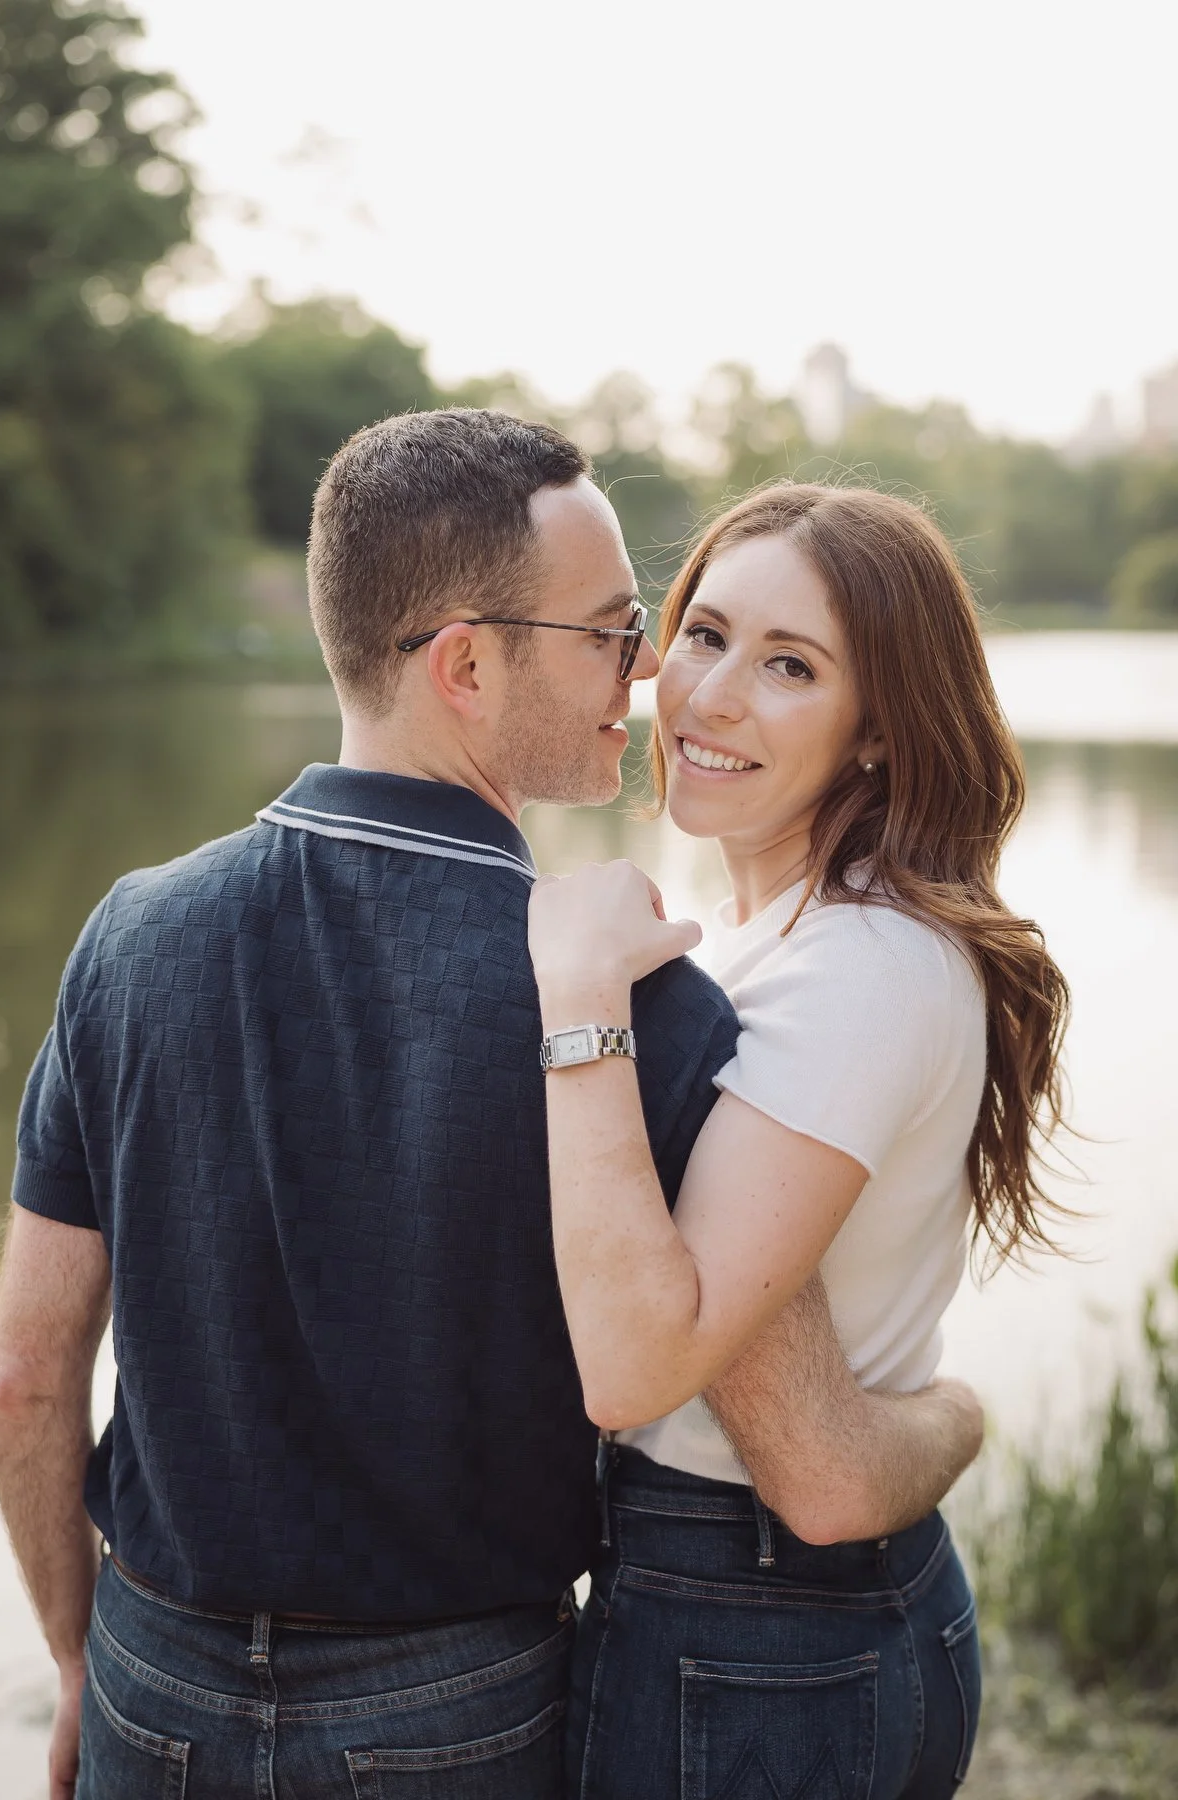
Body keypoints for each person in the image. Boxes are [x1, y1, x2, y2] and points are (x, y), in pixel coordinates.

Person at [0, 416, 982, 1800]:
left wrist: (81, 1657)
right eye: (612, 632)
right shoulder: (644, 1012)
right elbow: (774, 1420)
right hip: (454, 1706)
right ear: (463, 662)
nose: (643, 675)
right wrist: (952, 1418)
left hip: (155, 1677)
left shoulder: (128, 935)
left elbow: (24, 1378)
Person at [527, 482, 1071, 1799]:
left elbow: (642, 1367)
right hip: (770, 1622)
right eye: (704, 635)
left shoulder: (859, 965)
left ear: (878, 728)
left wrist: (580, 1000)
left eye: (790, 666)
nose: (712, 695)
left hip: (760, 1634)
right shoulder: (779, 941)